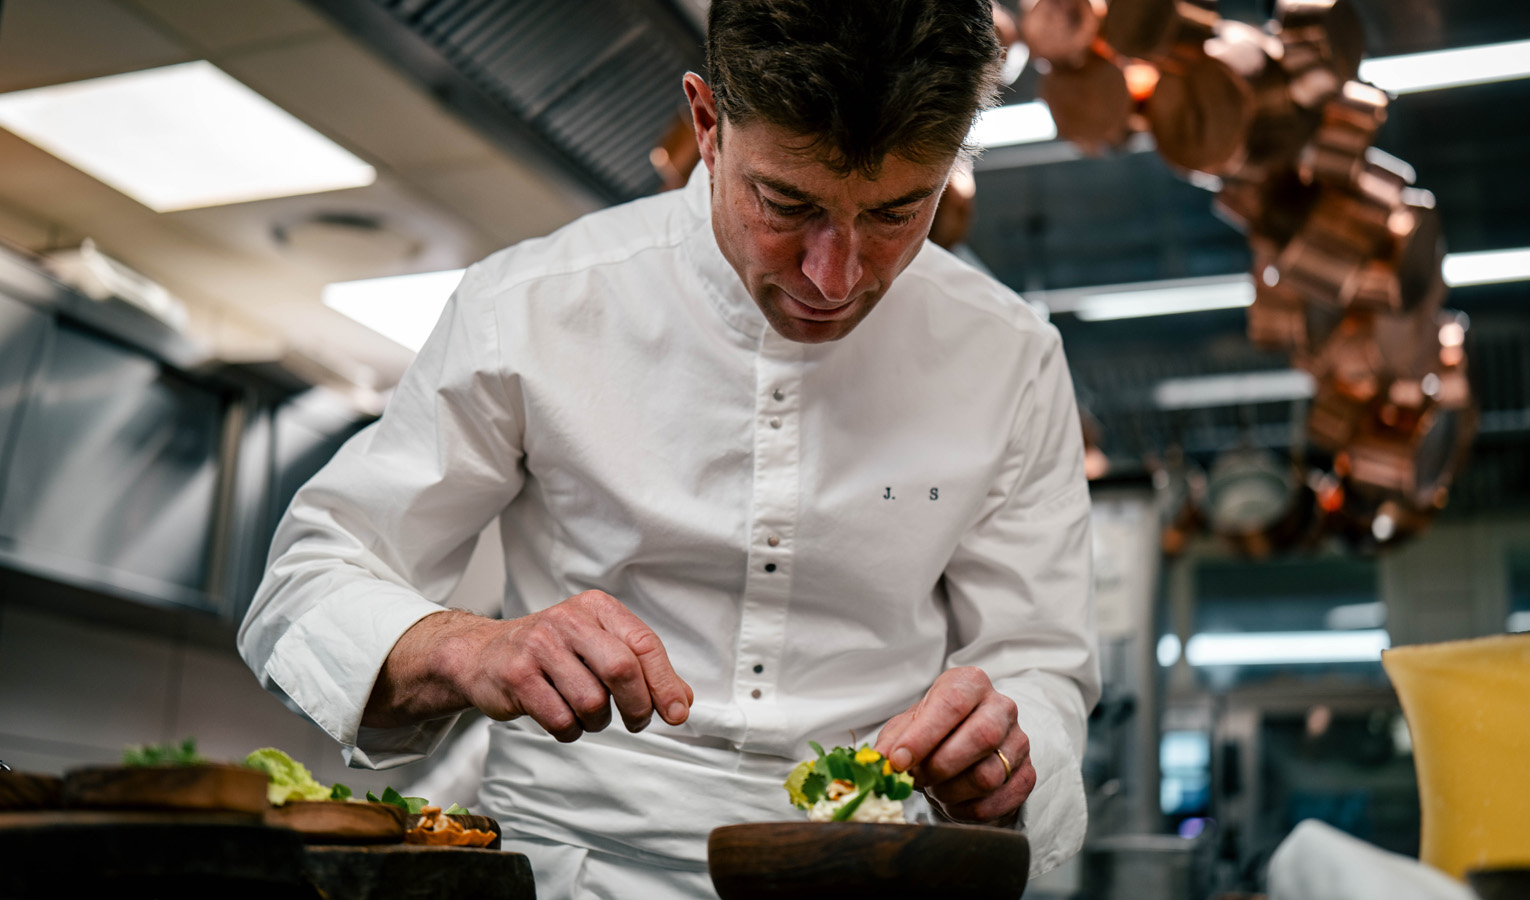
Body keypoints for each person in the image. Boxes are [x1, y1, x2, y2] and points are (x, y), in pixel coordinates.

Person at [238, 1, 1100, 896]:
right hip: (569, 875)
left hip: (862, 876)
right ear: (707, 123)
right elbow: (309, 581)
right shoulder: (531, 305)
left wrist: (1005, 743)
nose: (835, 277)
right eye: (786, 203)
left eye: (895, 212)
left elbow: (1041, 662)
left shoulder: (1012, 358)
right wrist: (467, 647)